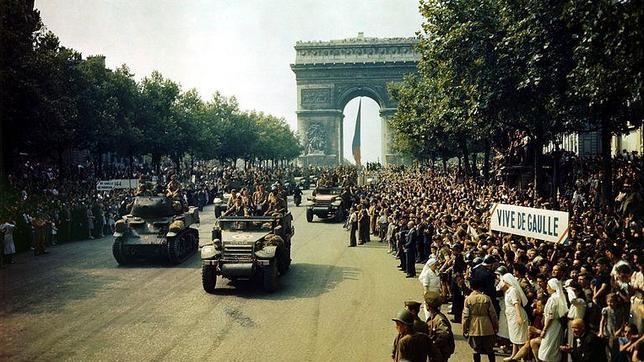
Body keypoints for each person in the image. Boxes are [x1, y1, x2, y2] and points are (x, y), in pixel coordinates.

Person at [462, 278, 498, 362]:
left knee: (476, 349)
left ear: (471, 287)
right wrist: (496, 326)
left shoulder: (468, 300)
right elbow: (493, 315)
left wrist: (464, 329)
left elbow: (465, 316)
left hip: (474, 326)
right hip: (487, 326)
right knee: (490, 349)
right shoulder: (486, 298)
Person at [500, 273, 529, 361]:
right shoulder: (508, 290)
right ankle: (514, 355)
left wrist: (519, 316)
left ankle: (522, 358)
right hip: (511, 316)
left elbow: (516, 303)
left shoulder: (513, 291)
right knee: (514, 337)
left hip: (516, 315)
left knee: (520, 338)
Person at [538, 278, 569, 362]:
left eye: (548, 286)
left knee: (547, 350)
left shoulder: (553, 299)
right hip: (556, 326)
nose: (547, 287)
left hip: (551, 327)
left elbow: (550, 316)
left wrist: (544, 329)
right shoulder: (557, 297)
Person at [424, 292, 452, 362]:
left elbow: (444, 334)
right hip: (437, 352)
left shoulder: (439, 319)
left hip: (440, 353)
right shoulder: (433, 317)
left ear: (428, 306)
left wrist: (433, 344)